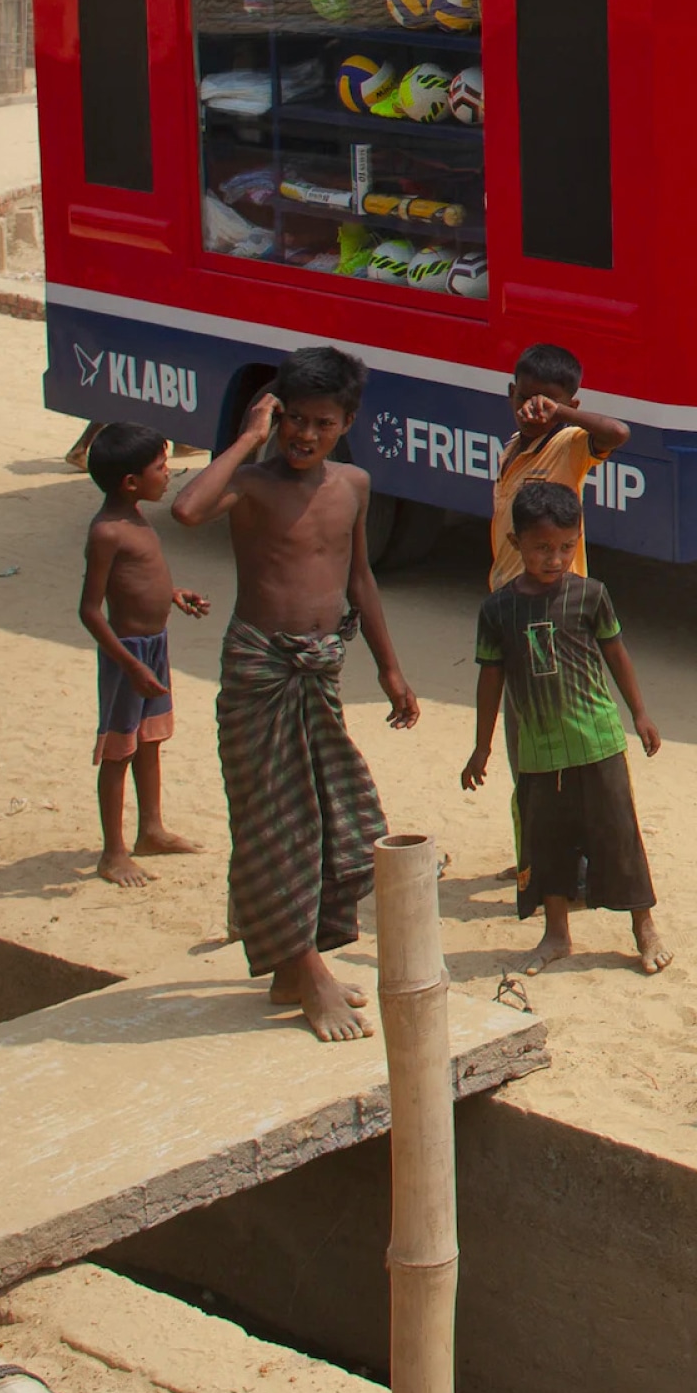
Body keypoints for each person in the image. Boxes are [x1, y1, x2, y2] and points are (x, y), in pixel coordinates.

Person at [170, 347, 419, 1042]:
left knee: (330, 817)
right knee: (269, 819)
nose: (305, 436)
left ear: (346, 422)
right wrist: (247, 437)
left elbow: (359, 577)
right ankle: (308, 975)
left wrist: (389, 667)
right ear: (275, 416)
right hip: (259, 669)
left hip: (323, 667)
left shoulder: (354, 485)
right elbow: (187, 509)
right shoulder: (250, 483)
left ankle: (293, 962)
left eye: (321, 423)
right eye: (293, 421)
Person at [463, 480, 668, 975]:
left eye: (565, 548)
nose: (554, 559)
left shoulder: (591, 595)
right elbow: (490, 680)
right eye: (541, 549)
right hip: (538, 748)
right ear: (516, 545)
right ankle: (556, 934)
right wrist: (482, 747)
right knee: (546, 842)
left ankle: (644, 928)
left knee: (619, 835)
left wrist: (639, 714)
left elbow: (616, 654)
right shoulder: (498, 609)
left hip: (596, 738)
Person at [79, 424, 209, 888]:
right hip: (127, 655)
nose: (169, 474)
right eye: (161, 467)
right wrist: (129, 665)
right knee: (119, 749)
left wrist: (173, 594)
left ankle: (150, 829)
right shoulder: (107, 532)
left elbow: (138, 580)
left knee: (150, 739)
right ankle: (113, 852)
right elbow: (90, 610)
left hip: (154, 645)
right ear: (131, 482)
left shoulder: (135, 517)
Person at [492, 343, 629, 588]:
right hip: (509, 592)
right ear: (512, 392)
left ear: (570, 407)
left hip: (553, 596)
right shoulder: (512, 447)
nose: (531, 411)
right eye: (524, 399)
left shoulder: (568, 445)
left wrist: (560, 413)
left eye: (546, 405)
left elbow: (618, 432)